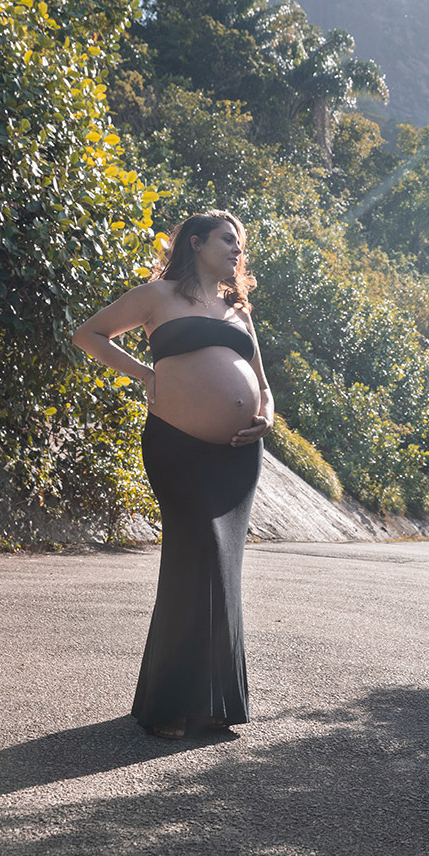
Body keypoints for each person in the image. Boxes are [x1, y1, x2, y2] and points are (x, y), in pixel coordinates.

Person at [72, 210, 274, 739]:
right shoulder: (157, 296)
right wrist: (145, 372)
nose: (237, 249)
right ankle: (168, 704)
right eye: (228, 239)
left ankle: (211, 704)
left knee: (224, 566)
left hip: (237, 458)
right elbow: (88, 334)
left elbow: (263, 382)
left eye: (240, 242)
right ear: (196, 242)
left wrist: (266, 414)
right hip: (177, 447)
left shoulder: (237, 310)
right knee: (197, 554)